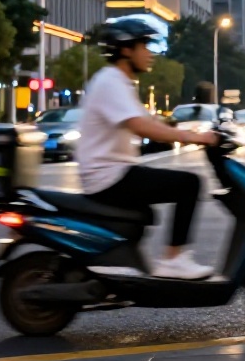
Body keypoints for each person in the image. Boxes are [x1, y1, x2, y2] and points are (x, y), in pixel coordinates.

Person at [79, 18, 221, 279]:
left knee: (162, 196)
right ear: (125, 50)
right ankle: (174, 259)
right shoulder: (111, 81)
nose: (150, 53)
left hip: (114, 172)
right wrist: (193, 137)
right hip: (109, 177)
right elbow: (140, 126)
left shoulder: (120, 82)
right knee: (189, 184)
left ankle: (134, 262)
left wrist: (191, 132)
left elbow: (150, 121)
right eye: (144, 45)